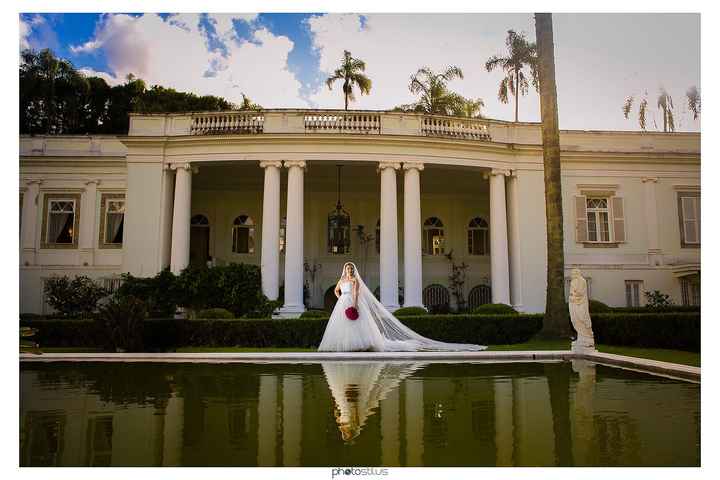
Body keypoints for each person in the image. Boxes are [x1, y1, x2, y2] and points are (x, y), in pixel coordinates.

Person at [317, 261, 487, 352]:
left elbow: (356, 293)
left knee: (357, 324)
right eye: (347, 269)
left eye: (350, 269)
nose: (348, 271)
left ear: (352, 271)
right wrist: (341, 298)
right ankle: (345, 345)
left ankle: (359, 345)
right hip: (342, 303)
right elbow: (337, 291)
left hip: (352, 302)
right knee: (343, 326)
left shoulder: (354, 280)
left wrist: (353, 303)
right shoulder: (342, 280)